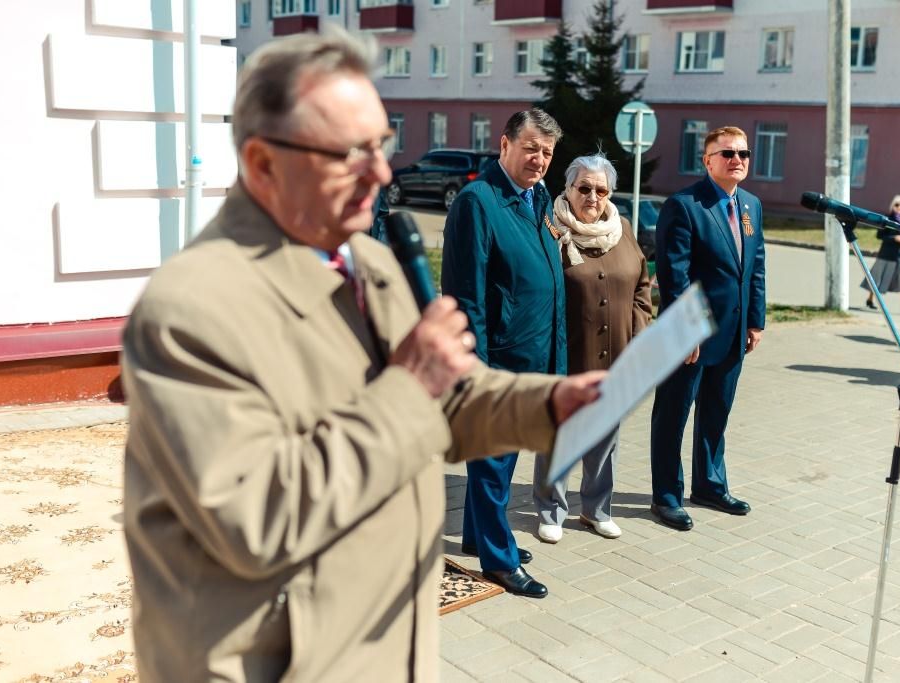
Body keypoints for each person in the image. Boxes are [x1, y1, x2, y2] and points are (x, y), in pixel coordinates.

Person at [121, 30, 605, 682]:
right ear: (262, 164)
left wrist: (548, 402)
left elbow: (450, 398)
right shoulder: (189, 310)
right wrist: (410, 385)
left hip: (379, 641)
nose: (381, 172)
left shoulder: (367, 259)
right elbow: (257, 517)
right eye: (349, 152)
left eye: (381, 144)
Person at [441, 108, 566, 599]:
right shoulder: (478, 201)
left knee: (503, 458)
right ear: (506, 144)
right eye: (531, 148)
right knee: (493, 461)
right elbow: (465, 296)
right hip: (499, 360)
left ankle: (478, 534)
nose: (539, 160)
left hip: (535, 353)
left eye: (548, 153)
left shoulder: (536, 199)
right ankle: (498, 559)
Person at [648, 126, 766, 532]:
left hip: (733, 334)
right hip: (692, 337)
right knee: (673, 416)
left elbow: (755, 267)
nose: (737, 159)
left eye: (744, 153)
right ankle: (666, 495)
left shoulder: (751, 205)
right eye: (727, 153)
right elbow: (673, 275)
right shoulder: (684, 206)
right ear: (708, 160)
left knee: (716, 414)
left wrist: (756, 320)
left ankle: (710, 485)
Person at [532, 153, 653, 543]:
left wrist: (639, 330)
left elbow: (641, 285)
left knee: (605, 436)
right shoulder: (549, 230)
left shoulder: (624, 229)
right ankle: (551, 510)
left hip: (615, 352)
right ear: (567, 189)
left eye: (601, 190)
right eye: (583, 188)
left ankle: (596, 509)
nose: (592, 196)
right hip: (566, 352)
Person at [862, 195, 900, 315]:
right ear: (892, 206)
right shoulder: (887, 219)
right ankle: (870, 299)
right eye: (897, 204)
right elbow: (879, 236)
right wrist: (894, 238)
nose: (899, 207)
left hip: (899, 255)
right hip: (885, 254)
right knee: (877, 278)